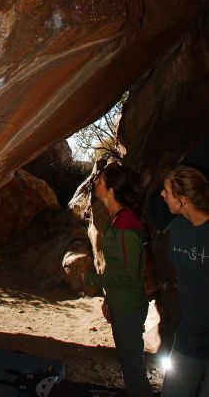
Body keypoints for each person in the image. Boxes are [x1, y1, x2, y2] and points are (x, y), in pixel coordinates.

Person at [83, 163, 152, 397]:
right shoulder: (118, 220)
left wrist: (92, 278)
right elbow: (119, 266)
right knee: (129, 360)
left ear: (111, 190)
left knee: (132, 365)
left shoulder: (125, 223)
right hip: (121, 301)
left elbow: (127, 272)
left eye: (100, 181)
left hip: (129, 304)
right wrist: (109, 299)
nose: (96, 184)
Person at [160, 164, 209, 397]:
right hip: (188, 339)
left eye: (167, 191)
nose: (162, 194)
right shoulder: (176, 229)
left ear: (182, 199)